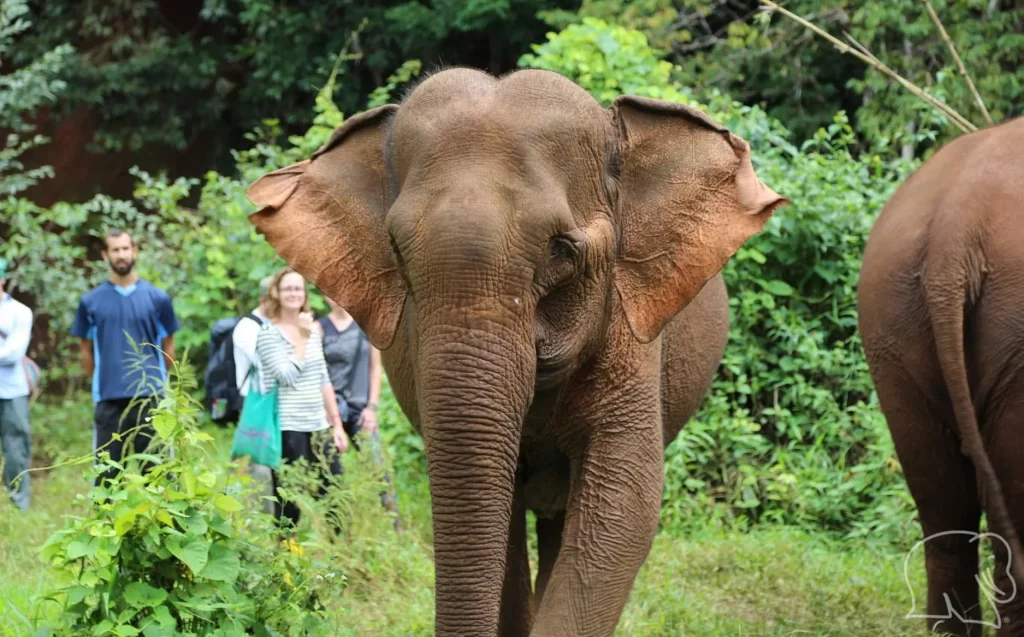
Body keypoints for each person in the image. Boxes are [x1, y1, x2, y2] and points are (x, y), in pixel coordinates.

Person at [71, 229, 178, 486]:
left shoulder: (158, 298)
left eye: (125, 248)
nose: (121, 255)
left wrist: (158, 384)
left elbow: (169, 349)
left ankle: (161, 527)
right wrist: (102, 380)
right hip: (109, 400)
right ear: (105, 255)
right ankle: (107, 527)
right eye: (115, 250)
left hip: (150, 399)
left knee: (158, 476)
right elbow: (86, 352)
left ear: (135, 251)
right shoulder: (90, 302)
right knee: (107, 479)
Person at [255, 266, 349, 529]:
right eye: (287, 288)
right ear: (276, 293)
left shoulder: (313, 330)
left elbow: (323, 378)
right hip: (289, 427)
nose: (293, 293)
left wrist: (337, 424)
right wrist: (302, 340)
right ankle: (286, 555)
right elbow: (286, 376)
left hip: (318, 424)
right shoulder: (268, 334)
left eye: (298, 288)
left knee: (335, 491)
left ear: (304, 293)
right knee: (289, 499)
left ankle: (338, 556)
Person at [319, 296, 402, 528]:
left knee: (378, 466)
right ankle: (336, 530)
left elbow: (376, 369)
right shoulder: (319, 328)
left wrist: (372, 407)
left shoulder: (366, 326)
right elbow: (314, 370)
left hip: (360, 409)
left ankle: (394, 525)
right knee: (331, 472)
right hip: (329, 409)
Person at [232, 275, 274, 513]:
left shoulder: (281, 323)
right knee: (260, 465)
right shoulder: (248, 327)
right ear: (264, 299)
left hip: (277, 405)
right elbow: (266, 363)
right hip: (255, 404)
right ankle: (261, 520)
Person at [0, 258, 33, 510]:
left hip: (11, 391)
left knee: (15, 449)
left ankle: (17, 503)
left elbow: (12, 354)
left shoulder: (19, 312)